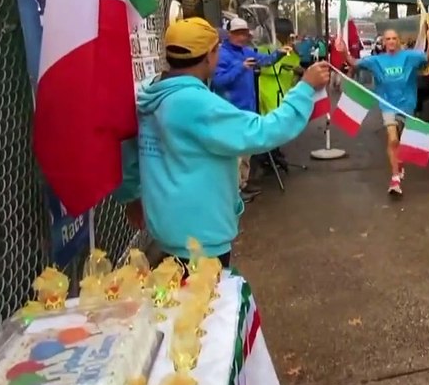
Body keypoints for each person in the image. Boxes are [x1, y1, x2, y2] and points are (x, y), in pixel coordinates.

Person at [113, 18, 332, 267]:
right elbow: (263, 132)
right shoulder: (196, 104)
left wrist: (132, 196)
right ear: (210, 55)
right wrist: (305, 89)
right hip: (200, 240)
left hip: (166, 229)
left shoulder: (148, 92)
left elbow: (128, 151)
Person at [339, 27, 429, 196]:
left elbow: (428, 59)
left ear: (399, 41)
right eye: (388, 39)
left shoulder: (410, 56)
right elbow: (353, 62)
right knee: (392, 139)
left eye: (394, 38)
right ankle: (395, 177)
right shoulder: (376, 60)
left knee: (402, 141)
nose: (391, 41)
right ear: (383, 42)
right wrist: (344, 50)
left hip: (407, 104)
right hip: (387, 104)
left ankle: (399, 162)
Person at [212, 18, 292, 201]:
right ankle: (234, 192)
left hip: (248, 110)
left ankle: (242, 186)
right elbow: (218, 82)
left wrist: (280, 53)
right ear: (230, 34)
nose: (242, 37)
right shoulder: (221, 55)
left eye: (244, 33)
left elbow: (265, 60)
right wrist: (241, 68)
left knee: (246, 152)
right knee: (236, 155)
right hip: (231, 111)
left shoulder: (246, 51)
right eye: (238, 33)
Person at [257, 18, 303, 172]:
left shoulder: (290, 49)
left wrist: (297, 72)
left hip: (284, 91)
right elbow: (265, 67)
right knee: (272, 124)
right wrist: (287, 68)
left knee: (281, 124)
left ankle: (274, 153)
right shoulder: (265, 48)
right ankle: (267, 157)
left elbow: (295, 67)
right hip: (268, 91)